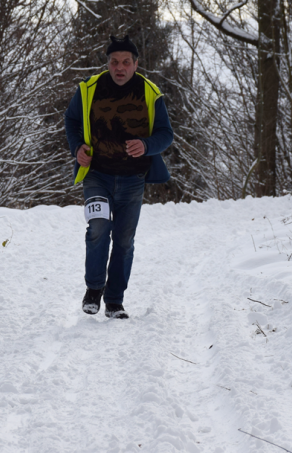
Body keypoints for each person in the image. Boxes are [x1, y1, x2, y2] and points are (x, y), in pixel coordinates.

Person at [64, 35, 173, 319]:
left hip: (132, 179)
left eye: (126, 62)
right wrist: (77, 148)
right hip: (97, 175)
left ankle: (114, 301)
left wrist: (147, 145)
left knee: (124, 241)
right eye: (114, 62)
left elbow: (166, 134)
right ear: (107, 64)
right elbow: (72, 121)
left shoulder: (151, 93)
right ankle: (93, 289)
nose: (120, 67)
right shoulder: (88, 89)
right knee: (98, 227)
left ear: (136, 64)